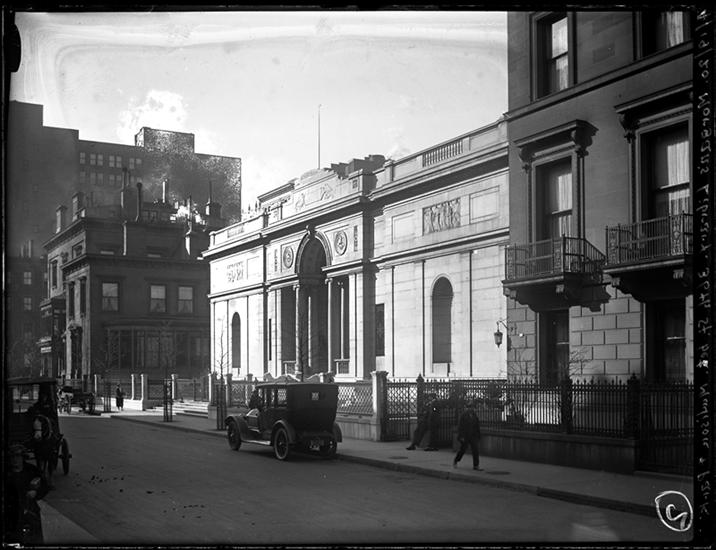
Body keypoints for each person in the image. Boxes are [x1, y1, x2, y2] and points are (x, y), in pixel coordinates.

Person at [5, 443, 48, 544]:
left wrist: (35, 492)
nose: (15, 459)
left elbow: (44, 486)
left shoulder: (32, 470)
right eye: (12, 457)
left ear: (23, 457)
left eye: (17, 456)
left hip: (29, 509)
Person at [453, 399, 482, 470]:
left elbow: (477, 426)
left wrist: (478, 435)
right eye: (469, 407)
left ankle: (476, 465)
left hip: (473, 436)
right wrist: (461, 436)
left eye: (472, 407)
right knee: (462, 450)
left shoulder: (474, 415)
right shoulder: (463, 415)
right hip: (465, 436)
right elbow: (460, 427)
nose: (471, 409)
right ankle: (456, 460)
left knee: (475, 450)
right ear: (467, 408)